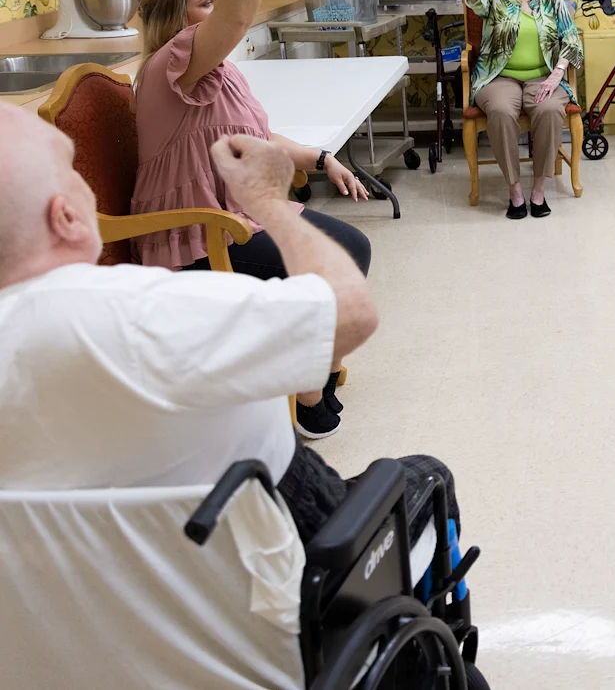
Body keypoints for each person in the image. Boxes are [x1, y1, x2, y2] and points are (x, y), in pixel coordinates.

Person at [0, 104, 462, 549]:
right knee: (427, 474)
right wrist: (269, 204)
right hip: (269, 558)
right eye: (75, 174)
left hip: (99, 589)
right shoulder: (157, 311)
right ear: (65, 217)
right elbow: (351, 313)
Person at [132, 0, 371, 440]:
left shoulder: (212, 72)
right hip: (197, 232)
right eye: (205, 4)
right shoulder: (172, 66)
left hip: (238, 210)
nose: (218, 12)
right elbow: (239, 15)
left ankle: (306, 371)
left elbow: (253, 137)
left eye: (216, 0)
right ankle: (307, 394)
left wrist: (320, 157)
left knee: (352, 251)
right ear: (175, 22)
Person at [462, 0, 584, 219]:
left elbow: (571, 39)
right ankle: (515, 190)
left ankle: (538, 189)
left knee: (549, 109)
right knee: (502, 112)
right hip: (498, 76)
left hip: (545, 76)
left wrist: (557, 74)